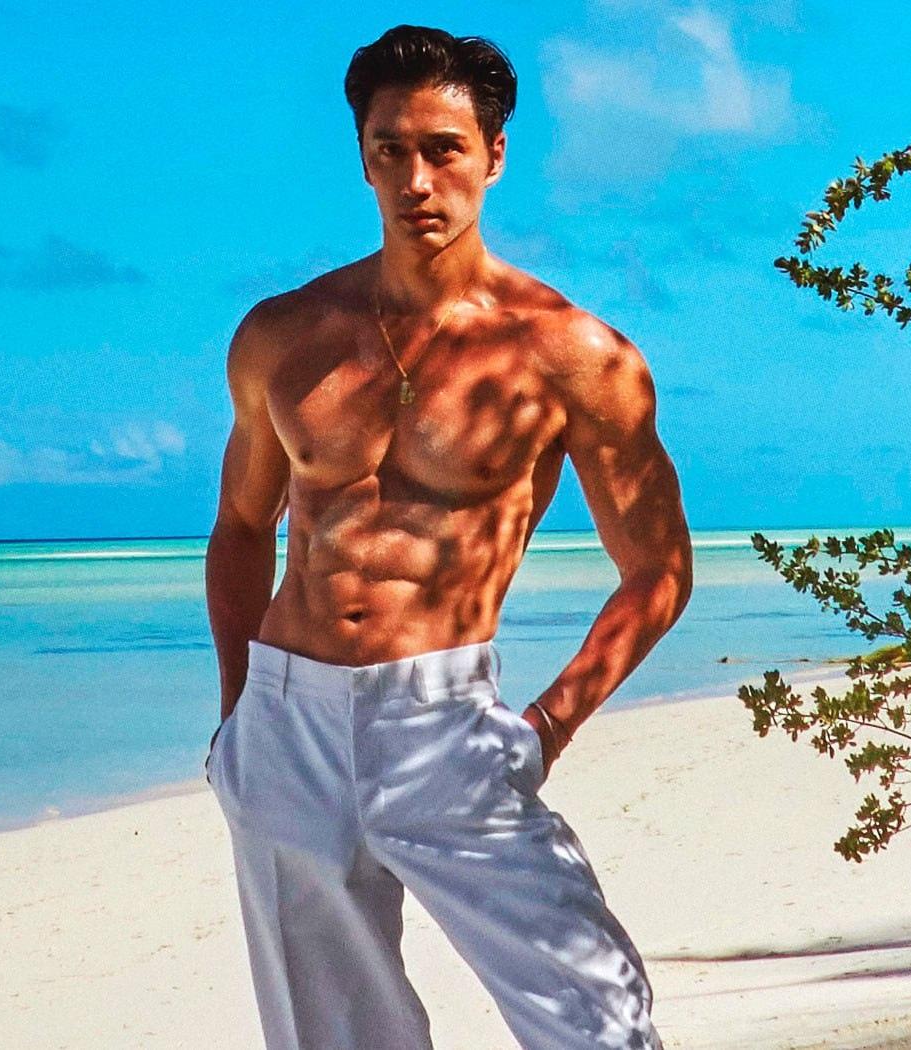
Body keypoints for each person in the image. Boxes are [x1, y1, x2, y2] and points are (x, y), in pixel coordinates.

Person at [204, 23, 692, 1050]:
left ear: (494, 155)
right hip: (287, 727)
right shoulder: (283, 336)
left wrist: (547, 727)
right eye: (390, 149)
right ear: (363, 158)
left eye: (444, 149)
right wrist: (239, 717)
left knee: (596, 1018)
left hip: (444, 722)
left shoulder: (573, 355)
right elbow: (243, 526)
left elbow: (657, 572)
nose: (417, 179)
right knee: (332, 1036)